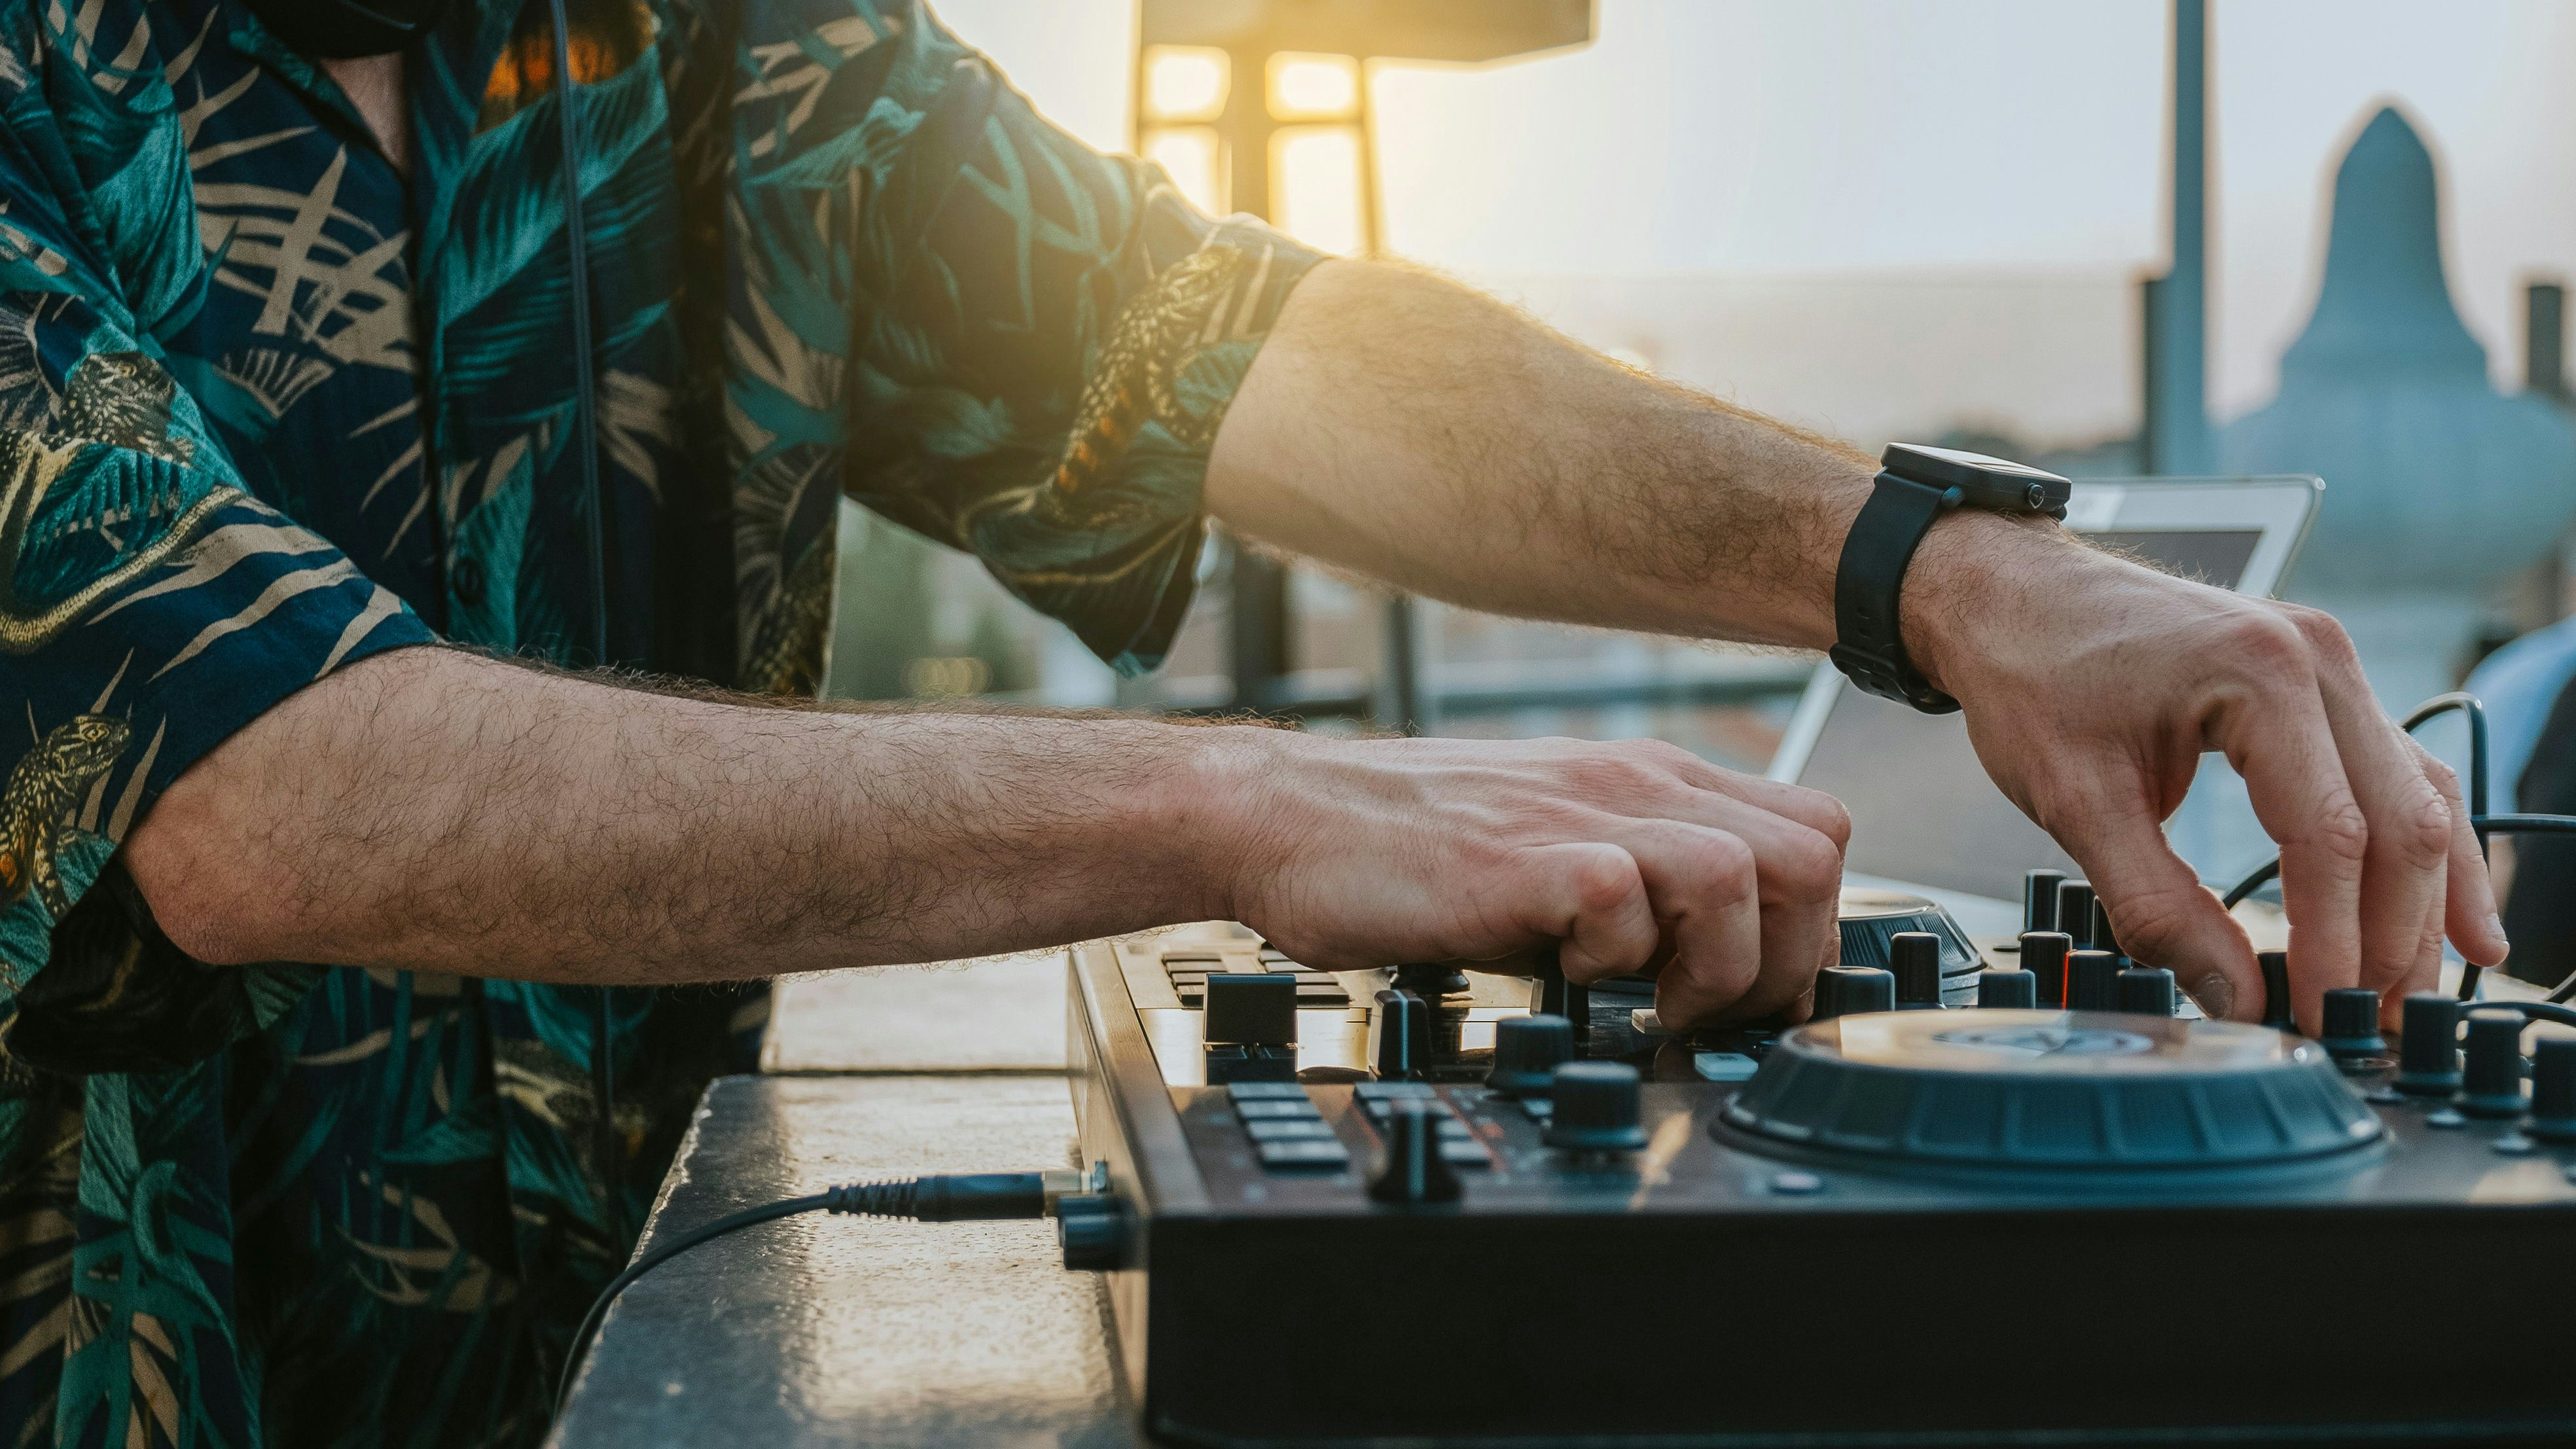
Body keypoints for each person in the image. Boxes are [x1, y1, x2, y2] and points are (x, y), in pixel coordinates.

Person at [0, 1, 2501, 1444]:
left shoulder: (736, 48)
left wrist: (1935, 561)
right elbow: (255, 773)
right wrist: (1244, 794)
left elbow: (1213, 337)